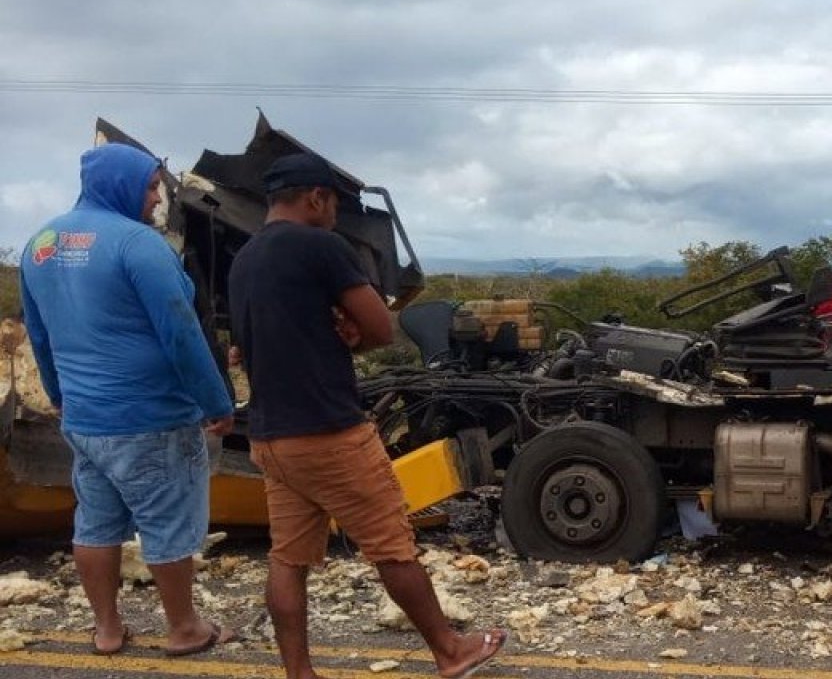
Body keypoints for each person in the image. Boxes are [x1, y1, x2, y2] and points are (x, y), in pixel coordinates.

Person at [227, 153, 506, 679]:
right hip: (330, 433)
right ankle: (451, 651)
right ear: (315, 197)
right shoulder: (321, 247)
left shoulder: (244, 258)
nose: (335, 214)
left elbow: (259, 343)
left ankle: (299, 672)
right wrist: (354, 336)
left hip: (272, 438)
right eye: (333, 202)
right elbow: (380, 328)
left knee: (288, 559)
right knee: (391, 546)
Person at [19, 143, 237, 656]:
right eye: (151, 185)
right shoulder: (139, 245)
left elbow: (40, 334)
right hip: (150, 417)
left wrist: (58, 395)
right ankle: (185, 628)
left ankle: (108, 629)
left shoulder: (40, 243)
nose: (157, 196)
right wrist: (215, 401)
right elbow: (181, 332)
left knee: (95, 524)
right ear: (120, 184)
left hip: (86, 419)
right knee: (165, 523)